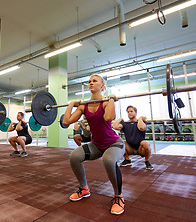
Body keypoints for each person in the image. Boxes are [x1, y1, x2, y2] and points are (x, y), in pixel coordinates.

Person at [63, 74, 125, 215]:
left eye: (94, 81)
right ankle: (84, 189)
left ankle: (118, 197)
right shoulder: (84, 106)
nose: (91, 83)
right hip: (96, 145)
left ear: (102, 86)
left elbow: (109, 117)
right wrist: (71, 105)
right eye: (89, 81)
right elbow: (66, 122)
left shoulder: (105, 102)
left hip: (113, 143)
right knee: (74, 156)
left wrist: (110, 99)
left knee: (108, 160)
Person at [112, 105, 154, 170]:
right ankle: (127, 160)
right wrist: (120, 119)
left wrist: (140, 118)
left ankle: (147, 161)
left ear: (136, 112)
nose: (129, 113)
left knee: (145, 143)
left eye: (131, 111)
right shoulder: (125, 124)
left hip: (140, 148)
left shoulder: (141, 122)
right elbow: (114, 126)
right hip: (130, 147)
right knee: (122, 142)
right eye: (128, 112)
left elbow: (142, 128)